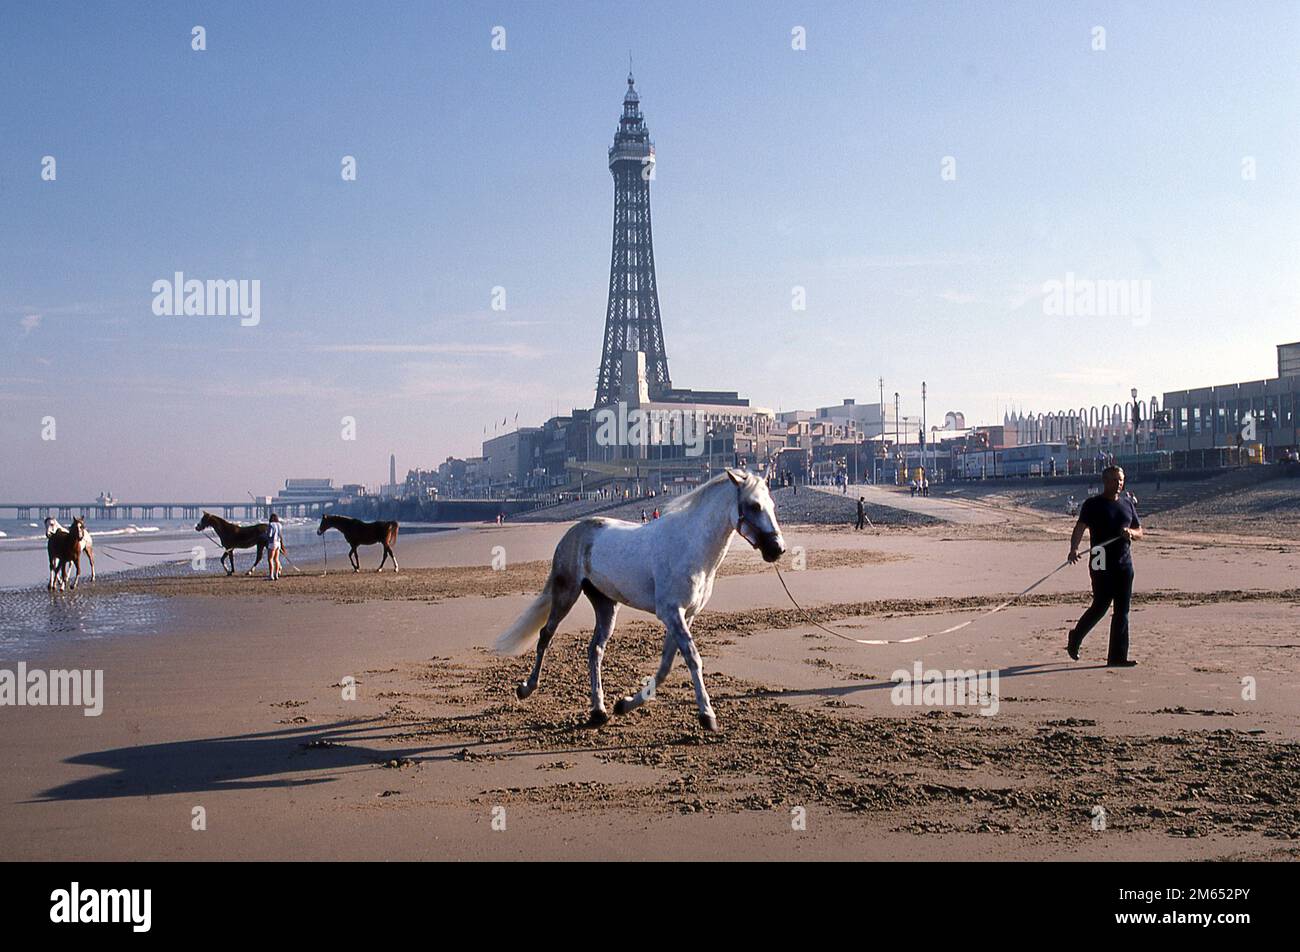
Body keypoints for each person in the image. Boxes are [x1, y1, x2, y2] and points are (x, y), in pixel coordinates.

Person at [1066, 466, 1142, 666]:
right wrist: (1074, 549)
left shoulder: (1127, 504)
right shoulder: (1092, 504)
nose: (1119, 484)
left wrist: (1131, 534)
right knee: (1100, 605)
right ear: (1105, 481)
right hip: (1100, 560)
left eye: (1121, 480)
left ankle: (1117, 657)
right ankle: (1076, 636)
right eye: (1115, 480)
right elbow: (1080, 527)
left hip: (1124, 563)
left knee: (1122, 611)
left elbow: (1140, 531)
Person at [265, 513, 284, 581]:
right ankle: (276, 575)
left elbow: (269, 535)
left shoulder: (271, 525)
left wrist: (265, 534)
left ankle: (271, 575)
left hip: (272, 543)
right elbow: (280, 535)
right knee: (276, 559)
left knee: (270, 559)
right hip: (278, 543)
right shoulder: (280, 525)